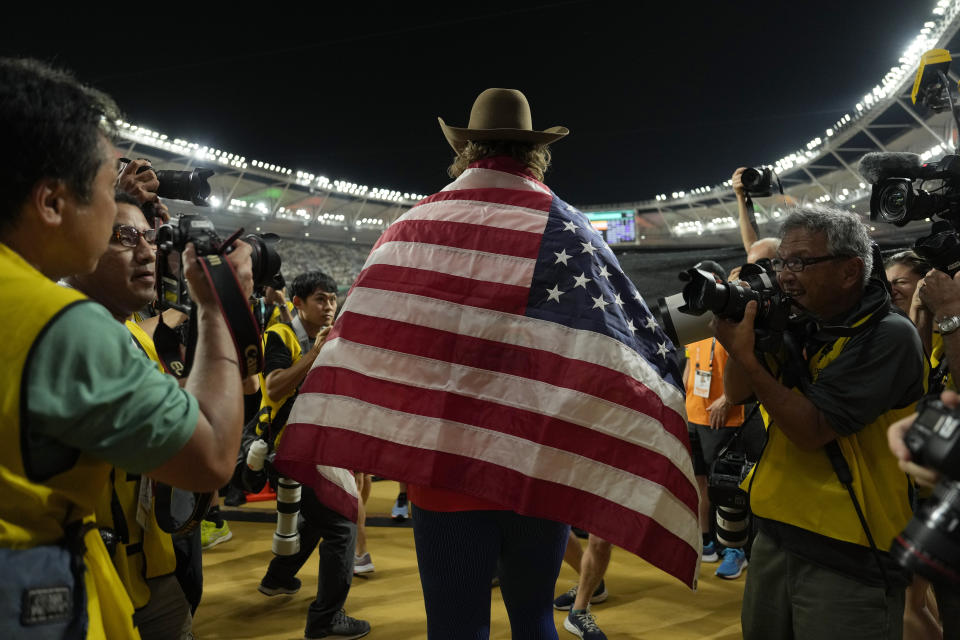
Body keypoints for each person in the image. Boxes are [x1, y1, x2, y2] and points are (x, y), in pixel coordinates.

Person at [0, 57, 252, 638]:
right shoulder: (61, 326)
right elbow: (211, 456)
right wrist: (216, 307)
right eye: (103, 188)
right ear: (51, 202)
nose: (114, 204)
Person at [715, 205, 925, 640]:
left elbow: (812, 430)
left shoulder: (888, 334)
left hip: (851, 550)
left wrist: (751, 360)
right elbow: (737, 395)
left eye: (800, 263)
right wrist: (741, 338)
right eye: (782, 262)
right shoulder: (799, 324)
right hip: (775, 533)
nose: (785, 276)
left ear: (850, 271)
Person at [66, 191, 195, 640]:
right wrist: (221, 315)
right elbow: (207, 457)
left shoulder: (131, 332)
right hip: (83, 571)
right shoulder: (74, 335)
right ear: (79, 246)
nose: (147, 252)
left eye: (151, 237)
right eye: (124, 237)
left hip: (147, 560)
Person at [256, 270, 370, 640]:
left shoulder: (329, 337)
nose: (329, 306)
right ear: (298, 302)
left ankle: (279, 577)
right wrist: (318, 352)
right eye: (321, 299)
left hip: (310, 447)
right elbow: (273, 387)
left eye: (333, 298)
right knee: (341, 524)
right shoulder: (280, 334)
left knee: (319, 518)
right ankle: (325, 618)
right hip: (283, 447)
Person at [682, 260, 747, 579]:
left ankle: (734, 549)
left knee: (726, 486)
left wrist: (728, 398)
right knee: (700, 483)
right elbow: (689, 366)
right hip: (694, 414)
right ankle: (706, 541)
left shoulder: (734, 317)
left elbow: (748, 365)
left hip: (725, 416)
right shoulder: (693, 320)